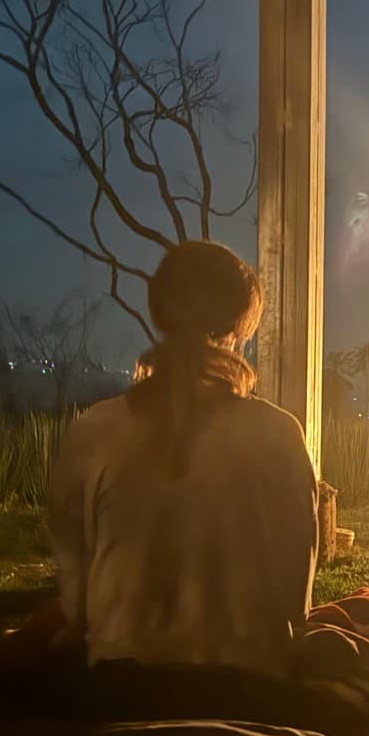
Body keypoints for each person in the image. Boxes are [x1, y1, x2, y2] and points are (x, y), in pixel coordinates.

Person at [48, 241, 317, 681]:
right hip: (248, 690)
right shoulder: (279, 433)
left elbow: (76, 604)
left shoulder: (92, 430)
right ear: (238, 327)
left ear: (161, 313)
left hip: (118, 687)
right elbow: (296, 604)